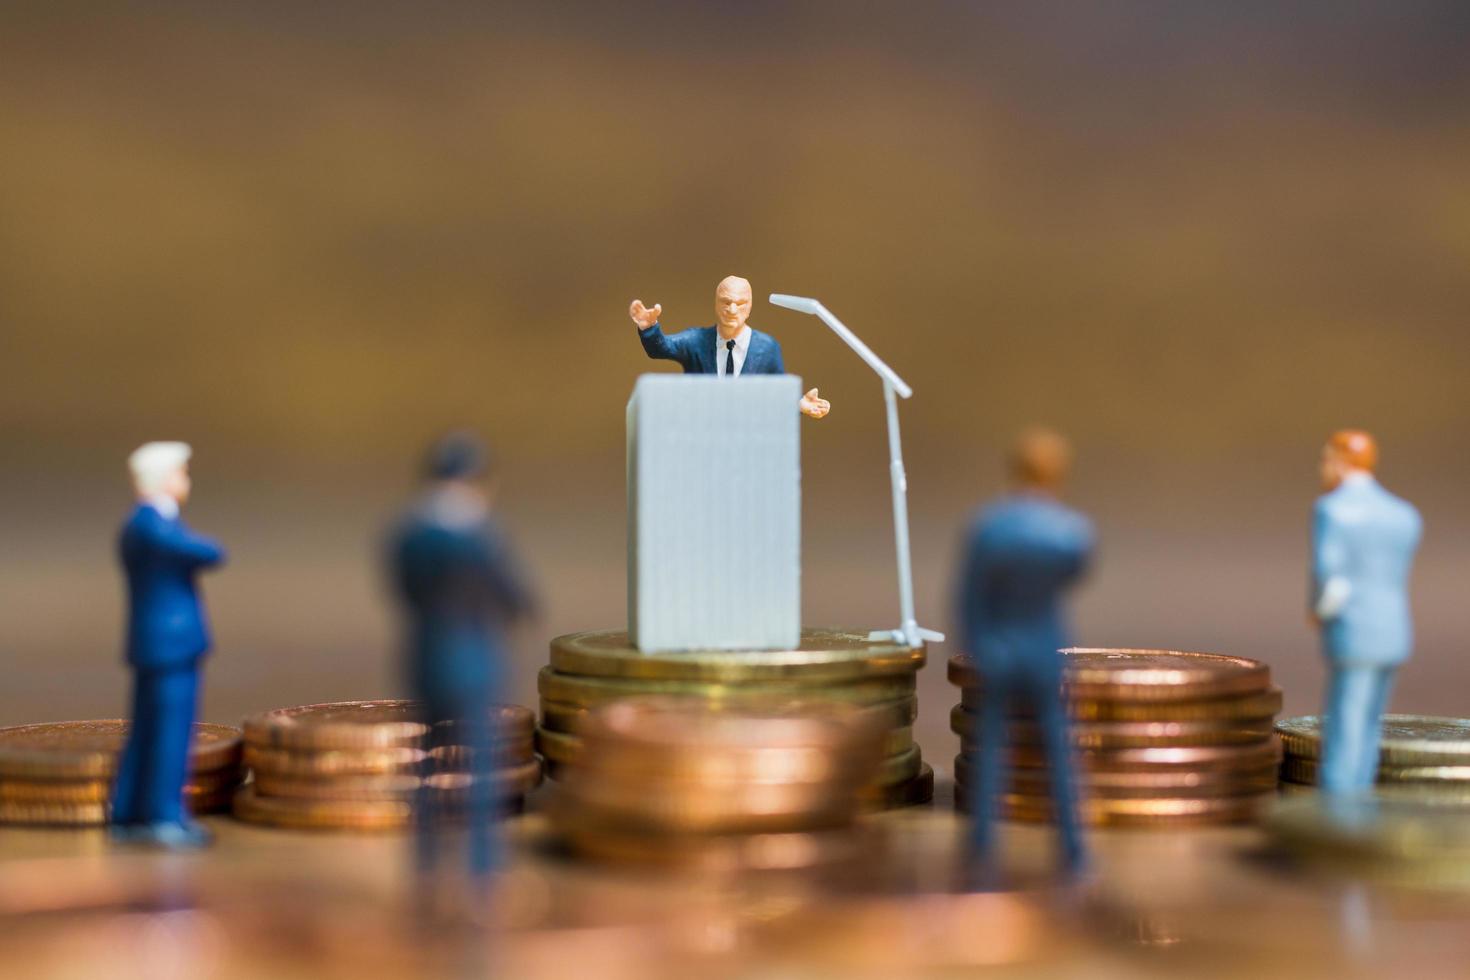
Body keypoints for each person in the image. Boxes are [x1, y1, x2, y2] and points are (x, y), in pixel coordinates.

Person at [388, 432, 536, 881]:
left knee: (429, 760)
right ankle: (481, 862)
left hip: (427, 658)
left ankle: (428, 857)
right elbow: (515, 598)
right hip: (474, 661)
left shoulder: (410, 535)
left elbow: (404, 590)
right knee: (479, 765)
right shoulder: (479, 537)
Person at [956, 427, 1092, 876]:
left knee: (993, 748)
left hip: (1000, 645)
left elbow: (970, 597)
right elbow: (1077, 569)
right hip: (1043, 647)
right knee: (1058, 751)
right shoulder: (1069, 532)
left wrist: (980, 643)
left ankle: (981, 846)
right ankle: (1072, 849)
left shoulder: (991, 526)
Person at [112, 441, 226, 848]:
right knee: (169, 734)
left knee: (147, 730)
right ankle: (162, 816)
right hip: (170, 646)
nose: (186, 480)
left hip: (159, 645)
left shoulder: (145, 524)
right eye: (182, 472)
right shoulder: (154, 526)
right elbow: (207, 552)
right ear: (163, 480)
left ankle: (127, 810)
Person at [1311, 429, 1421, 795]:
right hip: (1393, 630)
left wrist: (1319, 611)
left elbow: (1331, 576)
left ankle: (1339, 807)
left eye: (1327, 459)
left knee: (1346, 722)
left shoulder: (1332, 510)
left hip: (1353, 631)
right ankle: (1361, 794)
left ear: (1340, 462)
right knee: (1371, 722)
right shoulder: (1403, 514)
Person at [628, 275, 831, 419]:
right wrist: (649, 327)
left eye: (740, 303)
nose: (732, 310)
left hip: (747, 439)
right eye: (726, 302)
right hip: (701, 434)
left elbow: (777, 391)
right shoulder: (696, 340)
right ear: (716, 304)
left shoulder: (767, 348)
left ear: (750, 307)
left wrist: (799, 404)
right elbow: (662, 348)